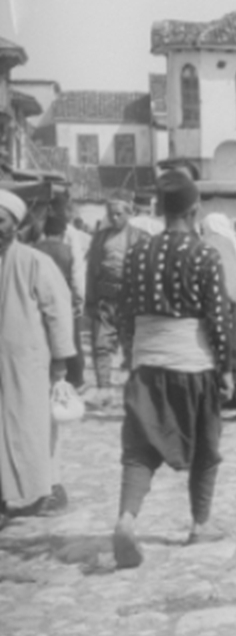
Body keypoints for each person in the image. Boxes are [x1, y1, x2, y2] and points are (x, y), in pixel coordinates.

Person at [111, 171, 232, 568]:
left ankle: (127, 519)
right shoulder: (205, 253)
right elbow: (217, 317)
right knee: (206, 444)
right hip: (192, 365)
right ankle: (199, 525)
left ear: (161, 210)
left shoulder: (137, 253)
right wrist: (227, 368)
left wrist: (132, 355)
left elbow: (125, 313)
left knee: (139, 448)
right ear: (195, 209)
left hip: (147, 363)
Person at [0, 189, 76, 524]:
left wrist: (61, 359)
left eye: (0, 220)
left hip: (28, 363)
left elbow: (58, 312)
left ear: (14, 225)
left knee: (34, 425)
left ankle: (46, 488)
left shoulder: (35, 262)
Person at [201, 211, 236, 419]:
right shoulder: (234, 243)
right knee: (235, 353)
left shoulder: (209, 243)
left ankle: (230, 399)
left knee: (216, 355)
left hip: (217, 306)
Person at [85, 197, 140, 401]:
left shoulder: (138, 237)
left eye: (119, 214)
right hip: (104, 299)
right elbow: (91, 269)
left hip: (129, 300)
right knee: (101, 344)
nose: (115, 218)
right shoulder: (100, 238)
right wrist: (90, 299)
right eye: (111, 214)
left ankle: (136, 391)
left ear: (128, 214)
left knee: (131, 346)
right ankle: (104, 390)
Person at [32, 211, 83, 390]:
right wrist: (79, 300)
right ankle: (74, 379)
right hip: (65, 300)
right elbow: (77, 276)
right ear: (63, 233)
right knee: (69, 339)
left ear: (44, 232)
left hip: (38, 300)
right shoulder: (67, 251)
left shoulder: (34, 250)